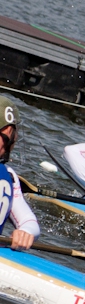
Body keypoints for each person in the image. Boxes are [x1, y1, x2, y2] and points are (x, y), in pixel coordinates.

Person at [0, 96, 39, 250]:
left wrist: (25, 232)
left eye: (9, 138)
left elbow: (29, 221)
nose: (9, 144)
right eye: (6, 138)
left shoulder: (8, 176)